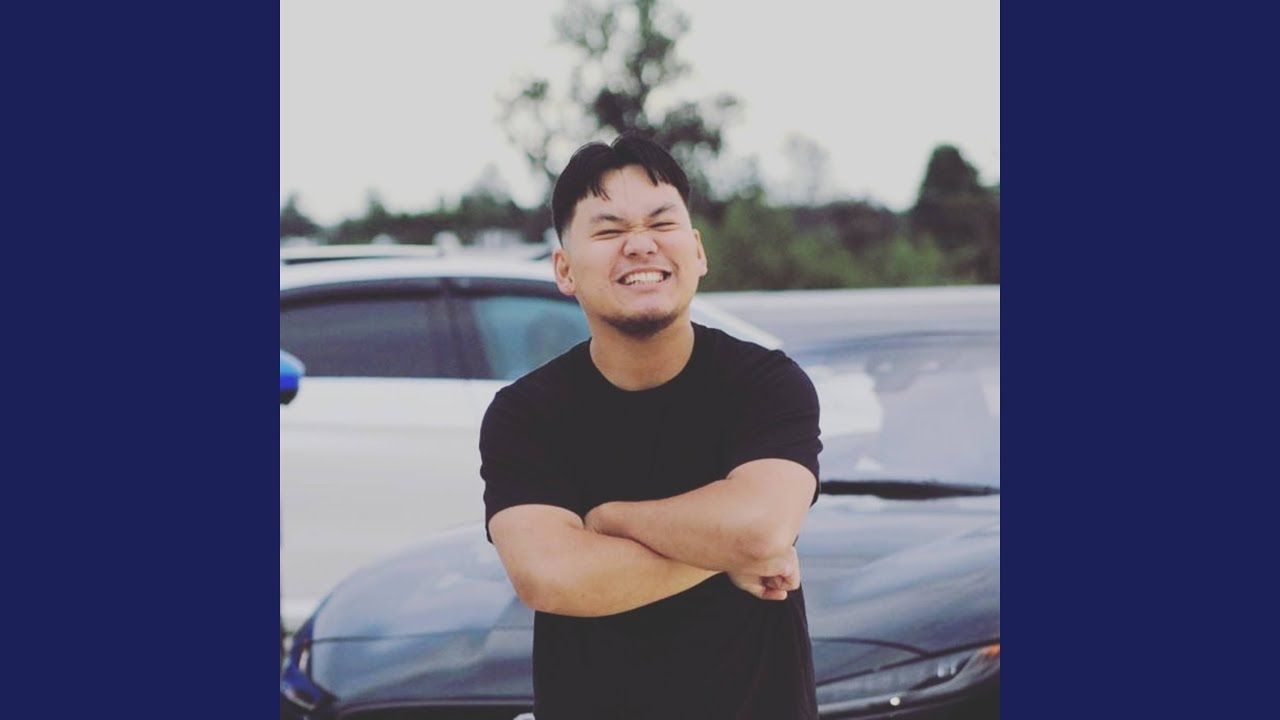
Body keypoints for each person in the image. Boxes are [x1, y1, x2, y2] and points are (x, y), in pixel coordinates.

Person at [481, 134, 822, 719]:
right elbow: (551, 576)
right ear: (564, 269)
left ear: (698, 252)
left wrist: (609, 520)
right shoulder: (526, 414)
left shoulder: (764, 383)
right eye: (609, 231)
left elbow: (760, 528)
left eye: (662, 223)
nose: (640, 244)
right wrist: (729, 553)